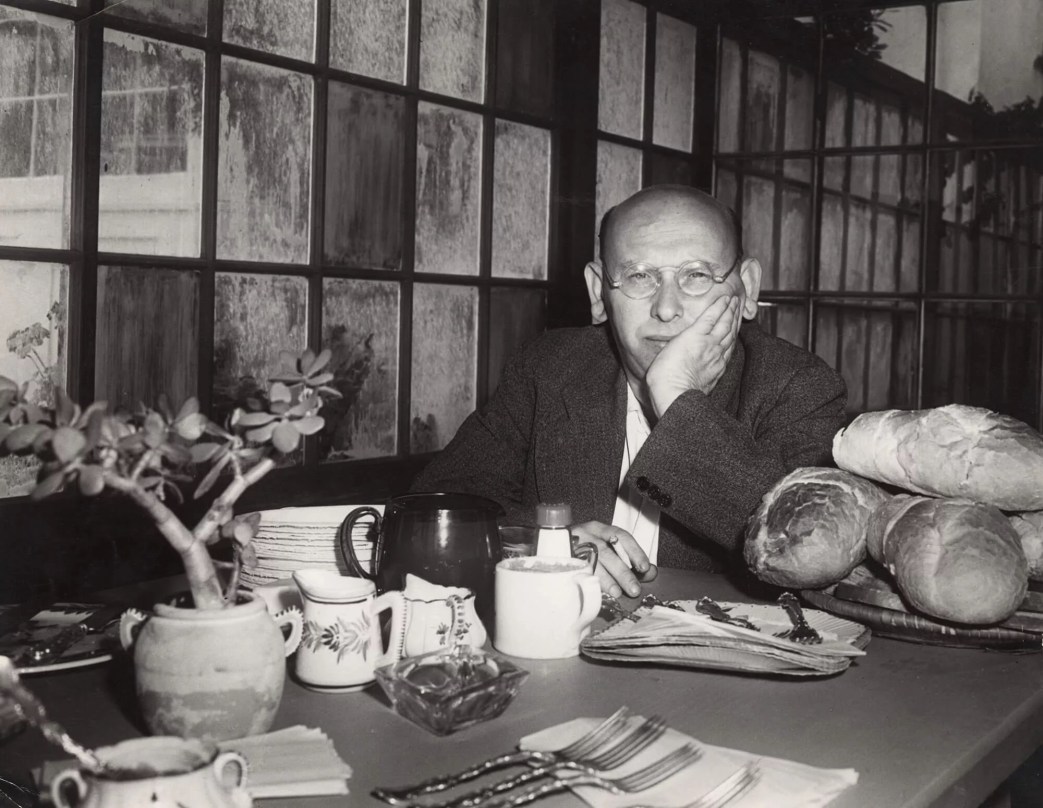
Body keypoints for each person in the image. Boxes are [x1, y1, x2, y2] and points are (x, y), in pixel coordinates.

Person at [412, 185, 847, 599]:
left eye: (697, 275)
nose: (667, 308)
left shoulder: (798, 386)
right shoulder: (550, 368)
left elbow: (804, 550)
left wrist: (677, 400)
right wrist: (546, 544)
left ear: (747, 287)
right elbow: (437, 506)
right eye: (639, 276)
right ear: (599, 292)